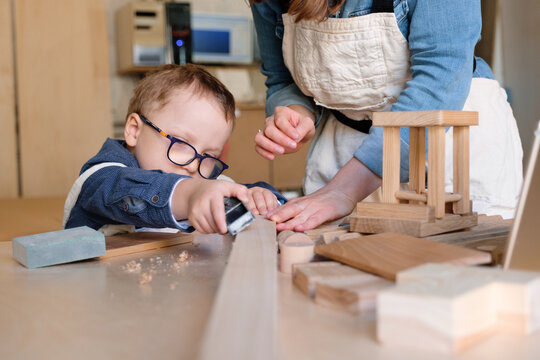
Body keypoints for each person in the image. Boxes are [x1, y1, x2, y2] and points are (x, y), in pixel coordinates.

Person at [251, 0, 523, 232]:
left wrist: (344, 190)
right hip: (346, 146)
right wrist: (297, 112)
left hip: (449, 140)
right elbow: (282, 79)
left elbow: (440, 78)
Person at [63, 64, 285, 235]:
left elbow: (234, 190)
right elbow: (117, 189)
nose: (193, 165)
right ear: (133, 130)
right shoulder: (102, 176)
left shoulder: (202, 178)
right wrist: (189, 196)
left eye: (209, 156)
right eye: (180, 143)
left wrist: (259, 200)